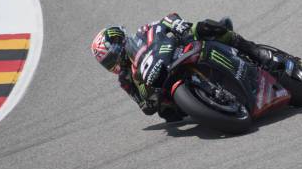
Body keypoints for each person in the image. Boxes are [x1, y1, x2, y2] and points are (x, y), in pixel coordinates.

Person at [91, 13, 275, 122]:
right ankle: (210, 103)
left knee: (205, 28)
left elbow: (165, 21)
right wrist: (150, 100)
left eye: (112, 55)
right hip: (163, 86)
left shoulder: (142, 33)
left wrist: (177, 25)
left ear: (119, 40)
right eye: (108, 62)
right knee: (168, 115)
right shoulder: (125, 79)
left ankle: (254, 50)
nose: (113, 62)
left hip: (177, 52)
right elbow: (143, 107)